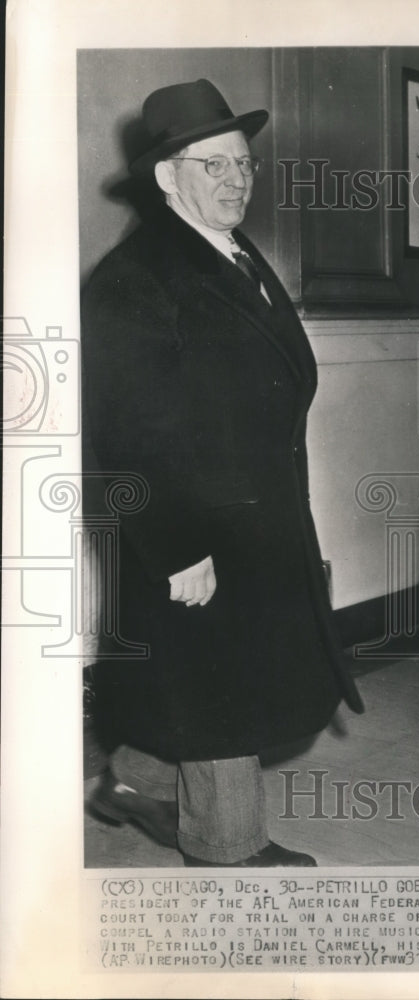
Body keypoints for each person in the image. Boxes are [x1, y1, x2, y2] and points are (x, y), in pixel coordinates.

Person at [82, 79, 363, 867]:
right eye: (213, 167)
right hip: (189, 529)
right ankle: (228, 851)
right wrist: (174, 550)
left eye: (243, 164)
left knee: (208, 680)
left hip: (251, 515)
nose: (236, 181)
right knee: (218, 691)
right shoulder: (134, 281)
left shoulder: (231, 252)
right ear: (167, 178)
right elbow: (122, 436)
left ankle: (129, 781)